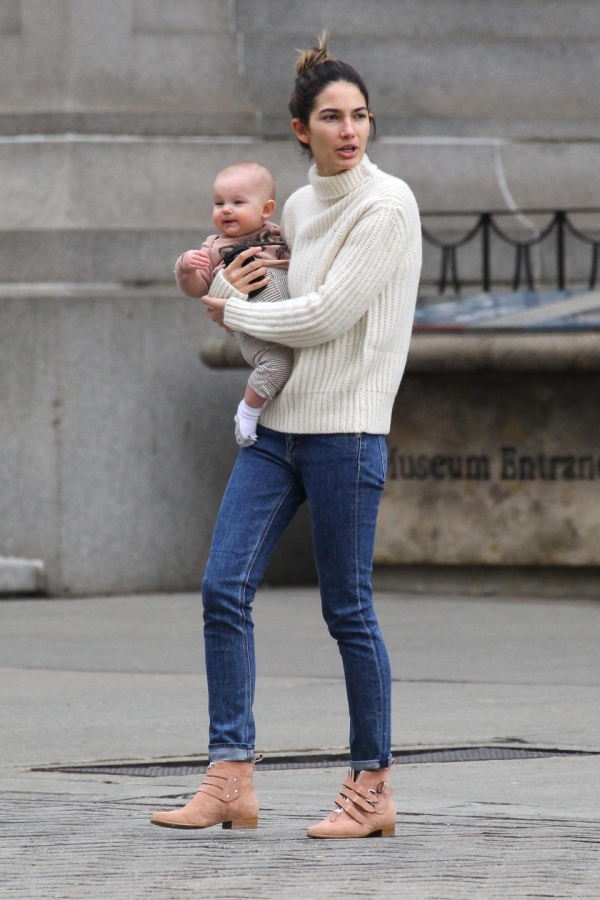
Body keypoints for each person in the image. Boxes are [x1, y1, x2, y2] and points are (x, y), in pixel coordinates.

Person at [151, 36, 422, 840]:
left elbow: (324, 317)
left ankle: (372, 786)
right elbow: (275, 330)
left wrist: (228, 310)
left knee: (347, 609)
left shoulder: (388, 205)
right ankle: (231, 776)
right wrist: (228, 294)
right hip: (279, 428)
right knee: (221, 588)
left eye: (361, 115)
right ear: (300, 129)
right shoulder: (294, 210)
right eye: (332, 117)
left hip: (346, 432)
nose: (350, 130)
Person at [175, 161, 293, 447]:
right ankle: (248, 410)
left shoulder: (280, 233)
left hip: (288, 315)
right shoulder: (214, 246)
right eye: (219, 203)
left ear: (266, 209)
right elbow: (199, 289)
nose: (226, 209)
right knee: (277, 364)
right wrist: (186, 268)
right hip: (252, 321)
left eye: (238, 202)